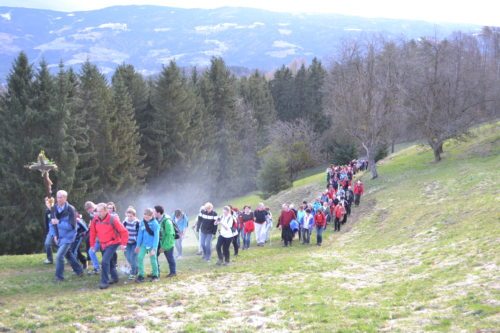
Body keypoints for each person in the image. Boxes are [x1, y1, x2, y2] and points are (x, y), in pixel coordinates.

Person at [89, 203, 129, 289]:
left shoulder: (113, 219)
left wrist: (123, 244)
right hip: (103, 244)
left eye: (101, 211)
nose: (99, 213)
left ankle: (104, 282)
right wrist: (92, 244)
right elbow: (92, 232)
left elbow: (124, 231)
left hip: (113, 242)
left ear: (106, 211)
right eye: (97, 211)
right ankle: (115, 278)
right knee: (110, 262)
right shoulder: (95, 220)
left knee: (104, 261)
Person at [51, 190, 84, 282]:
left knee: (59, 256)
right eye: (57, 197)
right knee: (68, 254)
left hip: (68, 237)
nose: (59, 199)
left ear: (65, 198)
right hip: (59, 237)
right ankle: (79, 270)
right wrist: (54, 235)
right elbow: (52, 224)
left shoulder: (70, 209)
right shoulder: (54, 208)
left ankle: (59, 277)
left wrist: (59, 222)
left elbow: (72, 227)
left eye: (61, 197)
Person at [135, 208, 160, 282]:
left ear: (152, 216)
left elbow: (156, 236)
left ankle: (155, 275)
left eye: (148, 217)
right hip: (144, 244)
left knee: (153, 259)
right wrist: (138, 245)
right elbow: (140, 234)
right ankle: (141, 275)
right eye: (145, 216)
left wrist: (154, 248)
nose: (146, 218)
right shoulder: (142, 222)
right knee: (139, 257)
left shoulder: (155, 224)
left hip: (152, 245)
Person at [155, 205, 177, 278]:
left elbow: (170, 235)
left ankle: (173, 272)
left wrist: (164, 247)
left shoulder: (167, 221)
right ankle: (156, 272)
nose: (153, 213)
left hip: (168, 243)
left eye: (154, 211)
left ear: (158, 212)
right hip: (159, 242)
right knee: (154, 256)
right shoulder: (156, 220)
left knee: (170, 258)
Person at [123, 206, 140, 280]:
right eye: (128, 216)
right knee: (127, 256)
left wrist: (138, 245)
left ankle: (133, 273)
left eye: (131, 216)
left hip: (134, 242)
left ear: (134, 216)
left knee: (133, 257)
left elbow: (140, 234)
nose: (129, 217)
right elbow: (122, 233)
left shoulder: (137, 223)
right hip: (127, 242)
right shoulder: (124, 222)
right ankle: (136, 268)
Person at [84, 201, 100, 275]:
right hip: (96, 238)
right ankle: (97, 268)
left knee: (106, 253)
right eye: (87, 210)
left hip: (104, 238)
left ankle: (111, 267)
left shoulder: (99, 210)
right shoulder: (92, 214)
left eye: (89, 209)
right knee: (91, 251)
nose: (89, 211)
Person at [43, 197, 56, 264]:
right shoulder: (47, 211)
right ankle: (50, 259)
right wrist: (47, 231)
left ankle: (67, 258)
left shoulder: (56, 210)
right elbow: (46, 222)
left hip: (58, 231)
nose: (48, 204)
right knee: (47, 244)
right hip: (50, 231)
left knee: (61, 245)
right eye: (47, 203)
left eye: (50, 202)